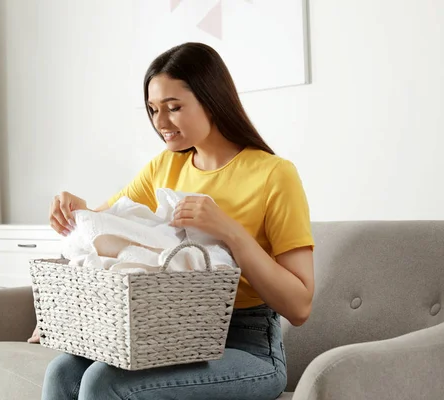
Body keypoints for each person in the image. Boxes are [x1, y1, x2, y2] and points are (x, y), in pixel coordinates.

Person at [37, 42, 315, 400]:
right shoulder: (164, 167)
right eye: (153, 110)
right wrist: (76, 209)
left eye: (174, 108)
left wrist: (229, 230)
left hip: (249, 347)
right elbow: (105, 229)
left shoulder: (274, 175)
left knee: (103, 382)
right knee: (63, 371)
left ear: (212, 100)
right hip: (171, 334)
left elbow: (300, 306)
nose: (161, 123)